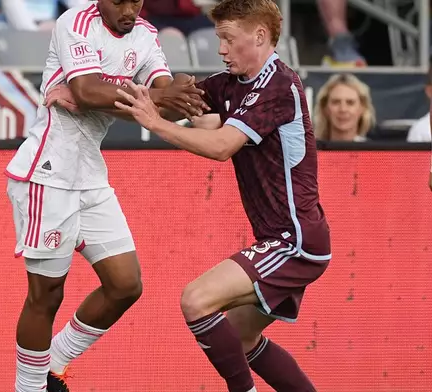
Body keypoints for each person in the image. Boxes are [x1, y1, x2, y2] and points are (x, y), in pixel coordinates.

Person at [114, 0, 331, 391]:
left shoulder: (278, 86)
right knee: (242, 340)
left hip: (293, 241)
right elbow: (183, 105)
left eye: (228, 39)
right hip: (281, 240)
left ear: (260, 36)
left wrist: (155, 124)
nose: (221, 49)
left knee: (196, 300)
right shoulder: (231, 84)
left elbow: (220, 145)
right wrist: (89, 95)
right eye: (219, 39)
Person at [4, 0, 208, 391]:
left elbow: (161, 98)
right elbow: (87, 89)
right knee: (46, 295)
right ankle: (28, 388)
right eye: (119, 0)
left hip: (91, 178)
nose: (129, 8)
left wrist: (176, 93)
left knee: (125, 284)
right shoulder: (74, 23)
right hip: (48, 175)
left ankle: (54, 364)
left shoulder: (146, 35)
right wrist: (153, 98)